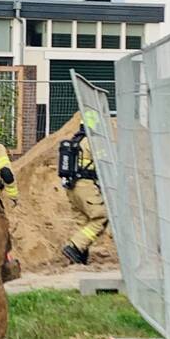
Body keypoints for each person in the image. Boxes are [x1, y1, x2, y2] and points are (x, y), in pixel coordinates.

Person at [59, 111, 108, 265]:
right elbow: (104, 164)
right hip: (86, 186)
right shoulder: (93, 142)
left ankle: (80, 258)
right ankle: (74, 247)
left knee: (83, 221)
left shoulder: (75, 141)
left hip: (71, 187)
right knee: (101, 217)